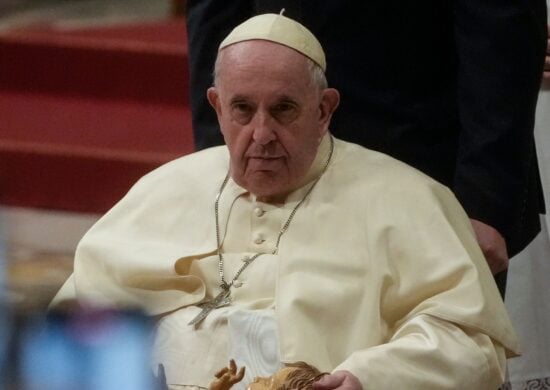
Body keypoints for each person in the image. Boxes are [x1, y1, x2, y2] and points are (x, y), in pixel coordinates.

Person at [52, 14, 520, 389]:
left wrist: (367, 379)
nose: (261, 134)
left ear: (324, 110)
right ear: (216, 106)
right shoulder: (163, 191)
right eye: (242, 109)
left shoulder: (408, 198)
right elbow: (69, 328)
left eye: (283, 110)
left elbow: (469, 344)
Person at [185, 1, 549, 296]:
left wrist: (485, 198)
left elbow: (502, 25)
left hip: (423, 161)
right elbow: (215, 12)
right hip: (271, 169)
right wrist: (222, 155)